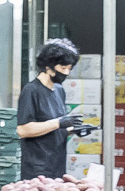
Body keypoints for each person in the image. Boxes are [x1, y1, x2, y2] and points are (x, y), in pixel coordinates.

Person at [15, 38, 90, 181]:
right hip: (37, 170)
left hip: (58, 165)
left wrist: (71, 129)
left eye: (69, 68)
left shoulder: (59, 90)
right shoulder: (31, 91)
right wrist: (58, 123)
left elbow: (53, 128)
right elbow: (23, 130)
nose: (67, 73)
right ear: (48, 66)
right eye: (63, 68)